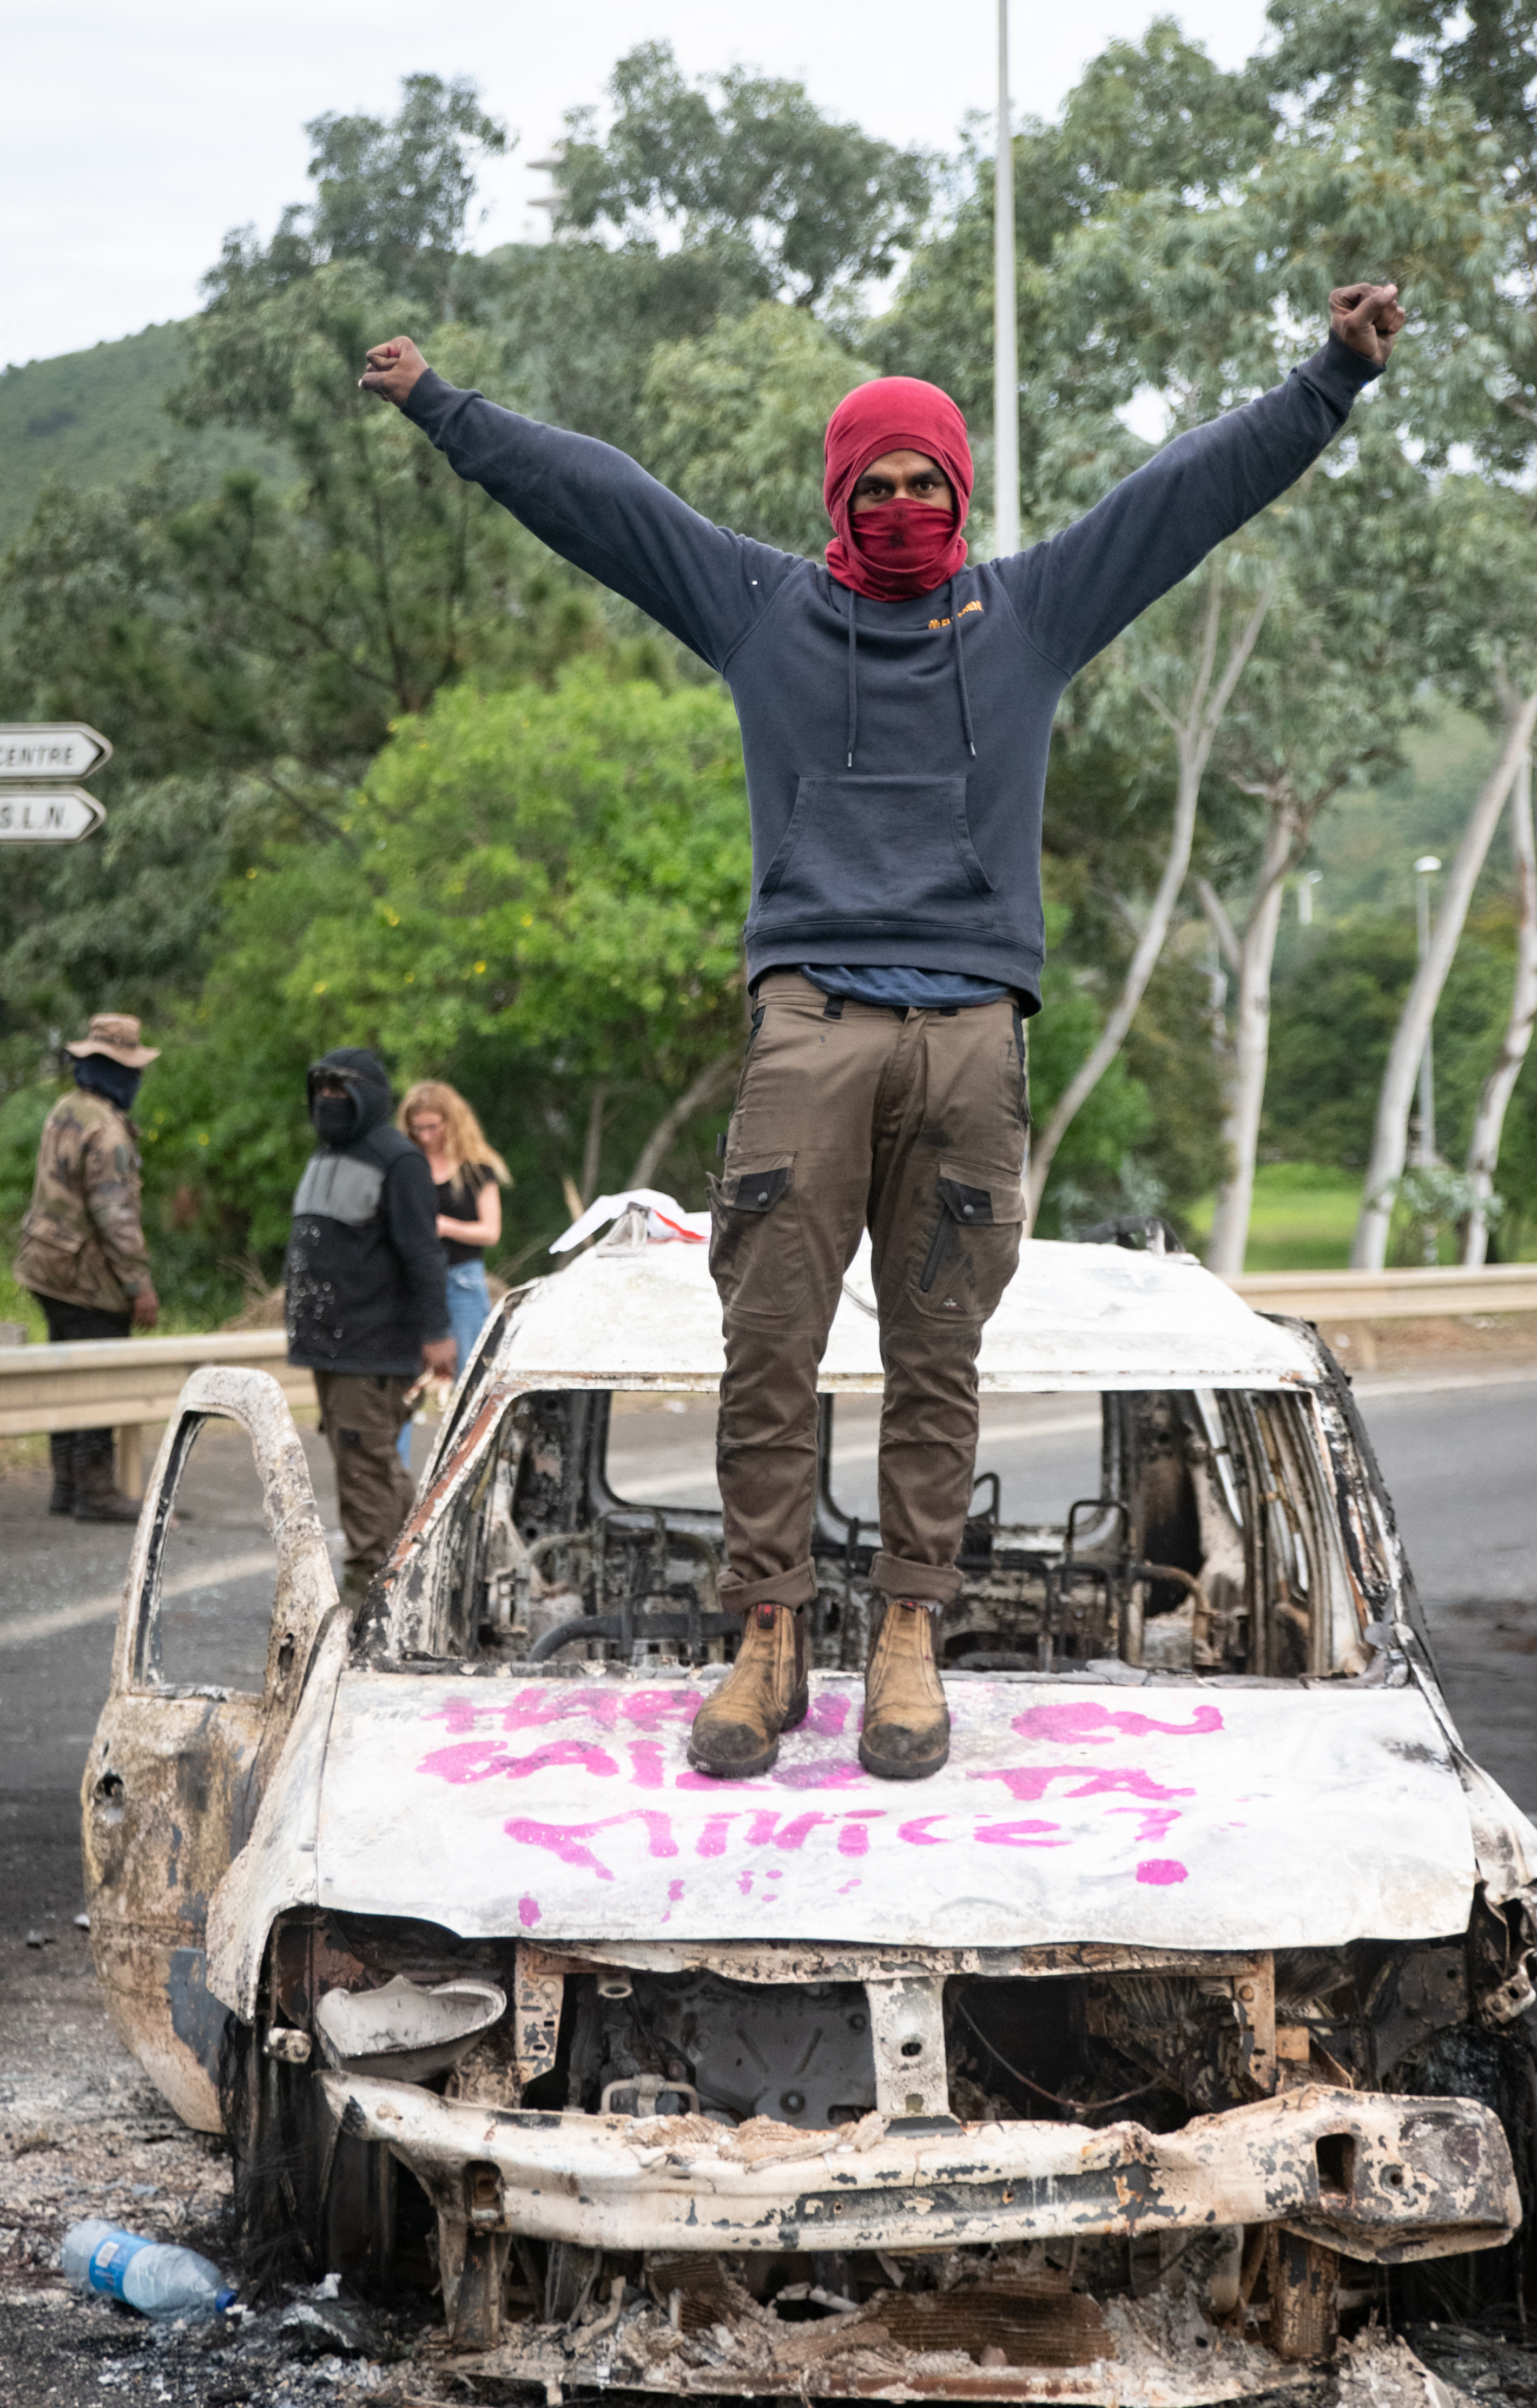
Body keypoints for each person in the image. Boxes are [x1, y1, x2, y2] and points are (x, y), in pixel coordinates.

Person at [360, 280, 1405, 1782]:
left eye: (927, 481)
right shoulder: (764, 609)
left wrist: (1329, 380)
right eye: (877, 483)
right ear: (840, 495)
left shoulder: (1030, 613)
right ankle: (767, 1640)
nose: (904, 502)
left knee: (937, 1357)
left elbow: (1186, 494)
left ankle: (906, 1643)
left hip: (974, 1031)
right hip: (813, 1020)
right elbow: (602, 501)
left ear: (959, 491)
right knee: (767, 1342)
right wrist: (445, 406)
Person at [284, 1047, 456, 1605]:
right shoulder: (326, 1154)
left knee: (366, 1469)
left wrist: (437, 1332)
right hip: (330, 1349)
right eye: (323, 1089)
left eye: (344, 1090)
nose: (331, 1101)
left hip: (373, 1344)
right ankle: (407, 1577)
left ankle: (371, 1595)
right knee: (365, 1464)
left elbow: (423, 1252)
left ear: (371, 1096)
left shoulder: (397, 1160)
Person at [15, 1012, 162, 1523]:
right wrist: (139, 1287)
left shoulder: (66, 1108)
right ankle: (97, 1490)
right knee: (99, 1375)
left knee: (64, 1372)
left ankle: (66, 1484)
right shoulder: (109, 1132)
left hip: (43, 1264)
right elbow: (116, 1218)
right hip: (86, 1277)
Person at [393, 1080, 510, 1462]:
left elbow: (490, 1231)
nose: (425, 1136)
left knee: (473, 1387)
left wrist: (442, 1225)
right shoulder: (405, 1167)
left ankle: (470, 1473)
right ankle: (395, 1480)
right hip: (410, 1283)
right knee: (403, 1386)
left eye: (433, 1126)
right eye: (418, 1128)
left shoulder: (476, 1168)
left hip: (462, 1280)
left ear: (451, 1122)